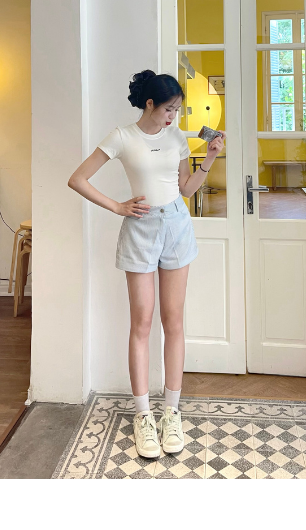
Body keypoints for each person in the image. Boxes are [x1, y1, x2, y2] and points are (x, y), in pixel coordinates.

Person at [67, 69, 225, 458]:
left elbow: (185, 189)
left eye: (178, 110)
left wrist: (209, 159)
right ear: (150, 104)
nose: (174, 116)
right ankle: (143, 416)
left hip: (176, 226)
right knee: (141, 323)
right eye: (169, 109)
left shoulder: (177, 137)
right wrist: (117, 206)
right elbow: (78, 178)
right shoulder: (122, 137)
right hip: (140, 229)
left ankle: (171, 412)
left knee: (174, 322)